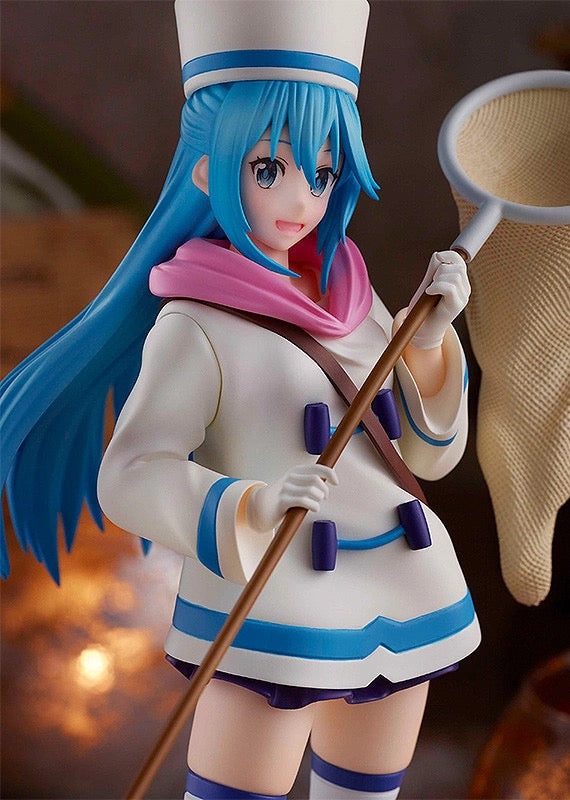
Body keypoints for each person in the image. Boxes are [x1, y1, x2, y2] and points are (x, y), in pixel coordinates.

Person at [0, 2, 480, 798]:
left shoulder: (356, 296)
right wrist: (249, 506)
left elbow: (427, 459)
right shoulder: (196, 323)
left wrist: (427, 346)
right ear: (208, 171)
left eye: (322, 171)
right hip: (274, 602)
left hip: (404, 585)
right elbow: (131, 471)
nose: (302, 198)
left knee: (367, 791)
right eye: (268, 169)